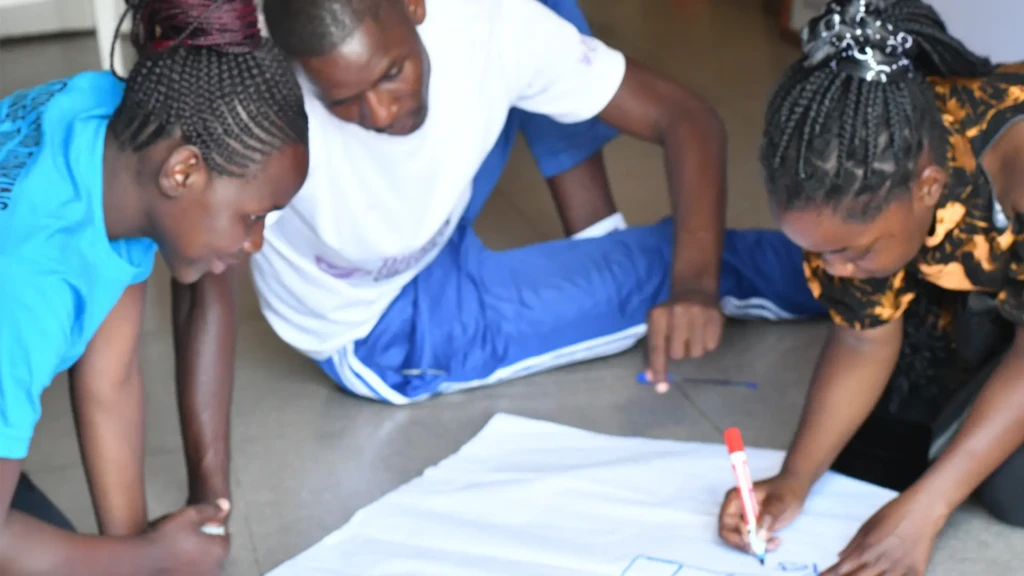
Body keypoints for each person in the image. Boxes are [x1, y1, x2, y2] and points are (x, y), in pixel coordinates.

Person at [0, 0, 309, 573]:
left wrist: (136, 556)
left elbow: (109, 382)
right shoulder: (25, 288)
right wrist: (147, 557)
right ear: (184, 171)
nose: (256, 243)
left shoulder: (112, 139)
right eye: (253, 216)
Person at [717, 1, 1024, 575]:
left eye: (851, 251)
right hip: (990, 286)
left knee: (1013, 494)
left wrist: (927, 510)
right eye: (818, 251)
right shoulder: (876, 167)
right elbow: (862, 340)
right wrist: (794, 480)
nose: (832, 270)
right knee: (888, 444)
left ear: (929, 188)